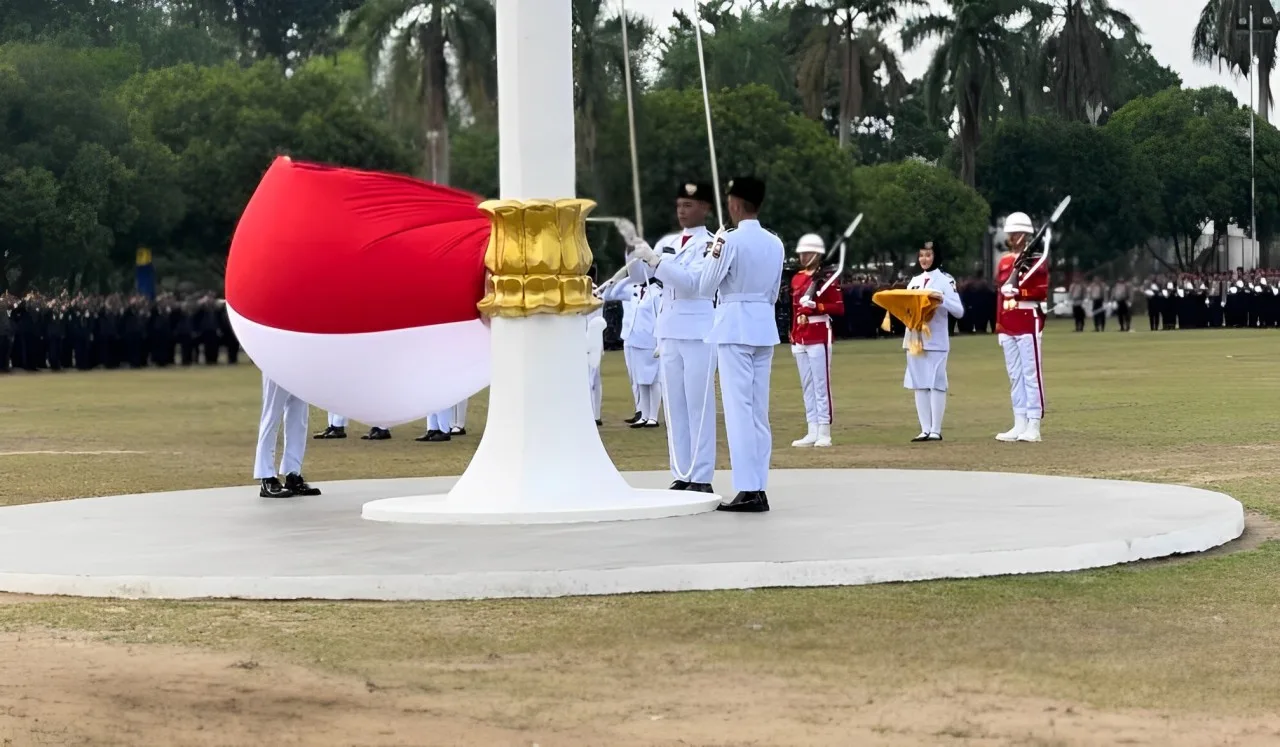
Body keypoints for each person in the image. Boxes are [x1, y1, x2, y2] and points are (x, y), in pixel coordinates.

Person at [637, 176, 783, 512]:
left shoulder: (726, 241)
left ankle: (748, 488)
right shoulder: (775, 243)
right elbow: (775, 291)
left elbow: (704, 286)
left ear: (734, 204)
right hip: (763, 326)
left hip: (734, 326)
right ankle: (757, 486)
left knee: (739, 411)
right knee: (758, 413)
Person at [627, 181, 717, 493]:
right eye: (679, 205)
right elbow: (640, 277)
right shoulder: (669, 241)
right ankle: (682, 471)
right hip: (668, 331)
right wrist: (636, 253)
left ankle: (701, 476)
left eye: (689, 205)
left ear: (705, 208)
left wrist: (655, 261)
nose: (682, 211)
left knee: (698, 405)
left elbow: (693, 283)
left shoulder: (711, 243)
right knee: (675, 407)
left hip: (697, 331)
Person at [994, 211, 1048, 443]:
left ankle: (1034, 423)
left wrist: (1019, 291)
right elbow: (1000, 293)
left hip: (1027, 318)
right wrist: (999, 324)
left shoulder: (1037, 260)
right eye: (1012, 233)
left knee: (1030, 374)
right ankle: (1019, 422)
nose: (1015, 237)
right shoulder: (1005, 261)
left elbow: (1041, 291)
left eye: (1020, 233)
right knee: (1014, 375)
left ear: (1027, 235)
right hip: (1009, 320)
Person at [788, 233, 844, 448]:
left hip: (819, 332)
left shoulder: (827, 278)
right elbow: (794, 309)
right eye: (802, 253)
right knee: (807, 385)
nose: (804, 257)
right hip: (800, 334)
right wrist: (793, 333)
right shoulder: (798, 278)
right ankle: (811, 428)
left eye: (808, 253)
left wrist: (817, 306)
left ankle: (824, 430)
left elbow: (838, 307)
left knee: (821, 384)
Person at [904, 241, 964, 442]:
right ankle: (924, 428)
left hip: (936, 338)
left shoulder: (945, 281)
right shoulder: (914, 281)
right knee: (919, 383)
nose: (924, 259)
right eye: (921, 255)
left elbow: (959, 311)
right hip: (914, 338)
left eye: (928, 255)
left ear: (935, 256)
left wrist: (941, 300)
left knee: (936, 382)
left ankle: (936, 430)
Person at [254, 373, 321, 498]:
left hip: (300, 363)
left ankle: (293, 473)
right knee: (271, 415)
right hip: (277, 361)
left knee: (299, 416)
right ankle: (266, 476)